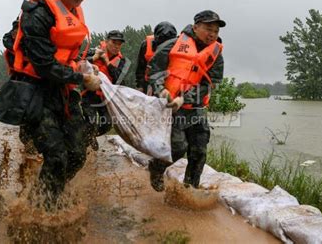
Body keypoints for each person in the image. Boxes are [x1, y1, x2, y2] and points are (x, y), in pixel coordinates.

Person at [0, 0, 101, 204]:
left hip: (62, 91)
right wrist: (82, 79)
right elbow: (44, 66)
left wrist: (83, 68)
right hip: (34, 92)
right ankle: (42, 210)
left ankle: (49, 192)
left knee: (77, 154)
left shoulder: (73, 13)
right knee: (56, 154)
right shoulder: (37, 15)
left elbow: (67, 57)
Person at [147, 10, 225, 191]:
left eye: (216, 31)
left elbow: (210, 84)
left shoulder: (216, 55)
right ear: (196, 27)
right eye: (208, 28)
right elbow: (155, 72)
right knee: (178, 147)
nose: (212, 34)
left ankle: (189, 190)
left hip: (195, 107)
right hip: (171, 107)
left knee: (199, 151)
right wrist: (161, 90)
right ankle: (156, 167)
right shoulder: (171, 45)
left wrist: (185, 98)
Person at [82, 30, 130, 147]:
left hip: (106, 96)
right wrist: (94, 57)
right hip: (89, 93)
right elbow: (78, 62)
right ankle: (84, 140)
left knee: (107, 123)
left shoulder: (121, 61)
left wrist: (107, 62)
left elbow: (120, 79)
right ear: (107, 41)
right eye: (114, 42)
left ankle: (90, 136)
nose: (116, 46)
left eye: (119, 44)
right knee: (91, 121)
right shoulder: (94, 50)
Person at [135, 21, 177, 94]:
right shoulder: (146, 45)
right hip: (148, 83)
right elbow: (140, 69)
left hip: (168, 83)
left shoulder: (177, 46)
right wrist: (140, 86)